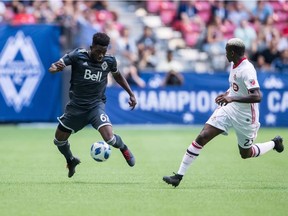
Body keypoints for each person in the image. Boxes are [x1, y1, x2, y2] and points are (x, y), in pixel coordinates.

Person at [163, 38, 284, 187]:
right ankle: (178, 176)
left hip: (246, 116)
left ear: (233, 53)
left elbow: (257, 96)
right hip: (229, 109)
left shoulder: (247, 70)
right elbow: (236, 88)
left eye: (226, 51)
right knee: (202, 136)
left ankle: (274, 143)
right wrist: (227, 95)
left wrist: (231, 98)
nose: (225, 54)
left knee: (245, 153)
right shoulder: (234, 64)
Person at [49, 32, 137, 178]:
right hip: (76, 107)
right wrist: (54, 68)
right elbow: (58, 64)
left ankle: (123, 147)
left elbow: (117, 75)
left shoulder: (109, 61)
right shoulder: (78, 55)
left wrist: (131, 93)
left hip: (95, 106)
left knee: (109, 138)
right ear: (91, 47)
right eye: (98, 51)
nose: (101, 55)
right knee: (58, 140)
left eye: (104, 52)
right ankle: (71, 160)